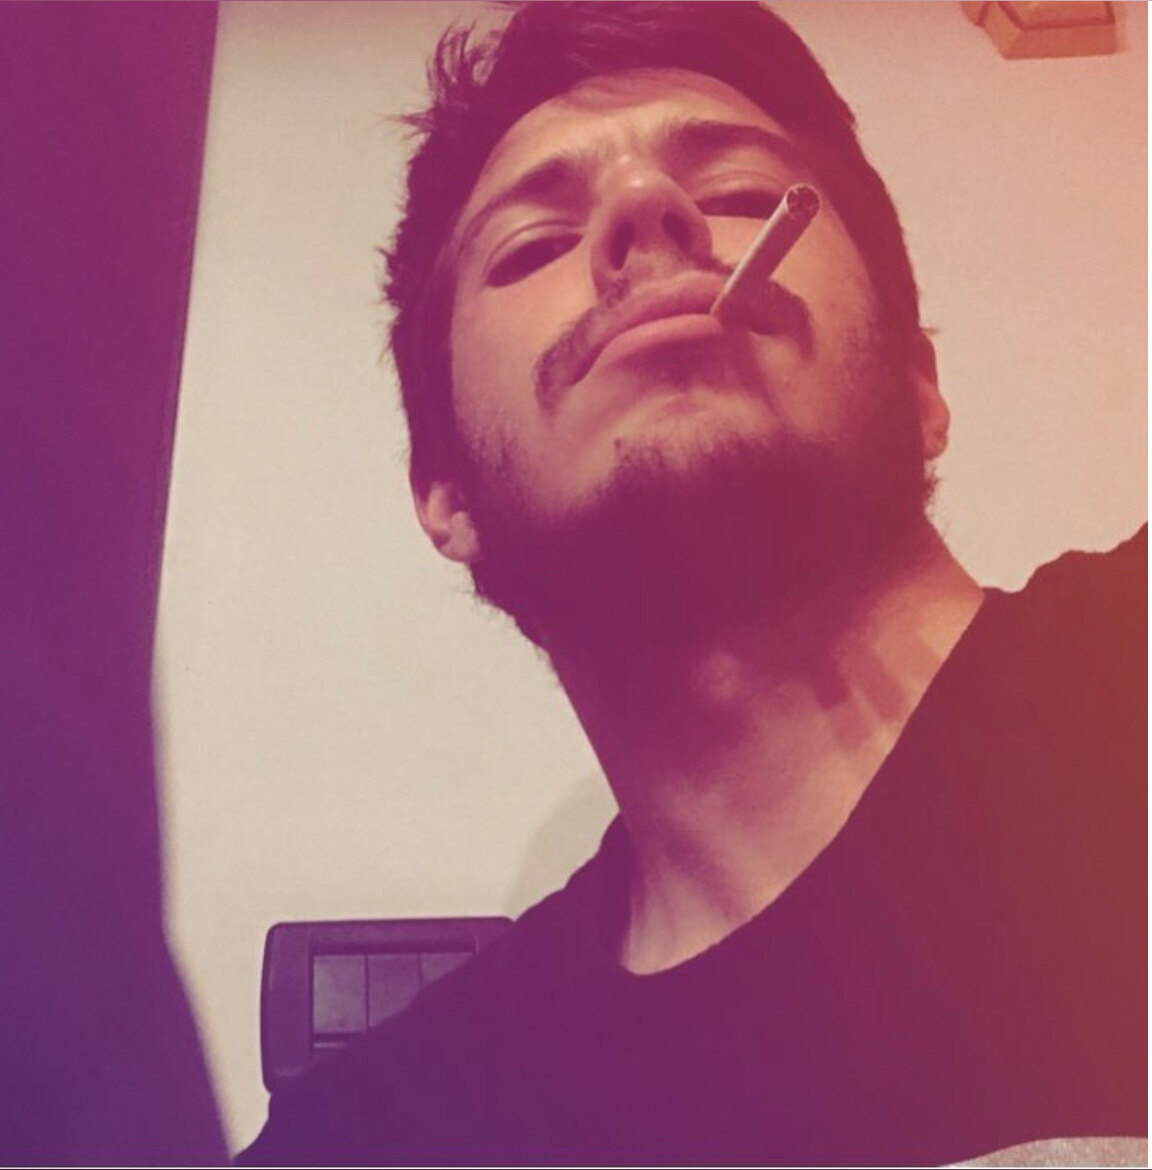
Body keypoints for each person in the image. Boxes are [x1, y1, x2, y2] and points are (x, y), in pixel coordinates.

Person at [240, 2, 1145, 1164]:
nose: (644, 206)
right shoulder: (379, 1136)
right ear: (447, 493)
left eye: (742, 195)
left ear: (922, 386)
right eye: (530, 246)